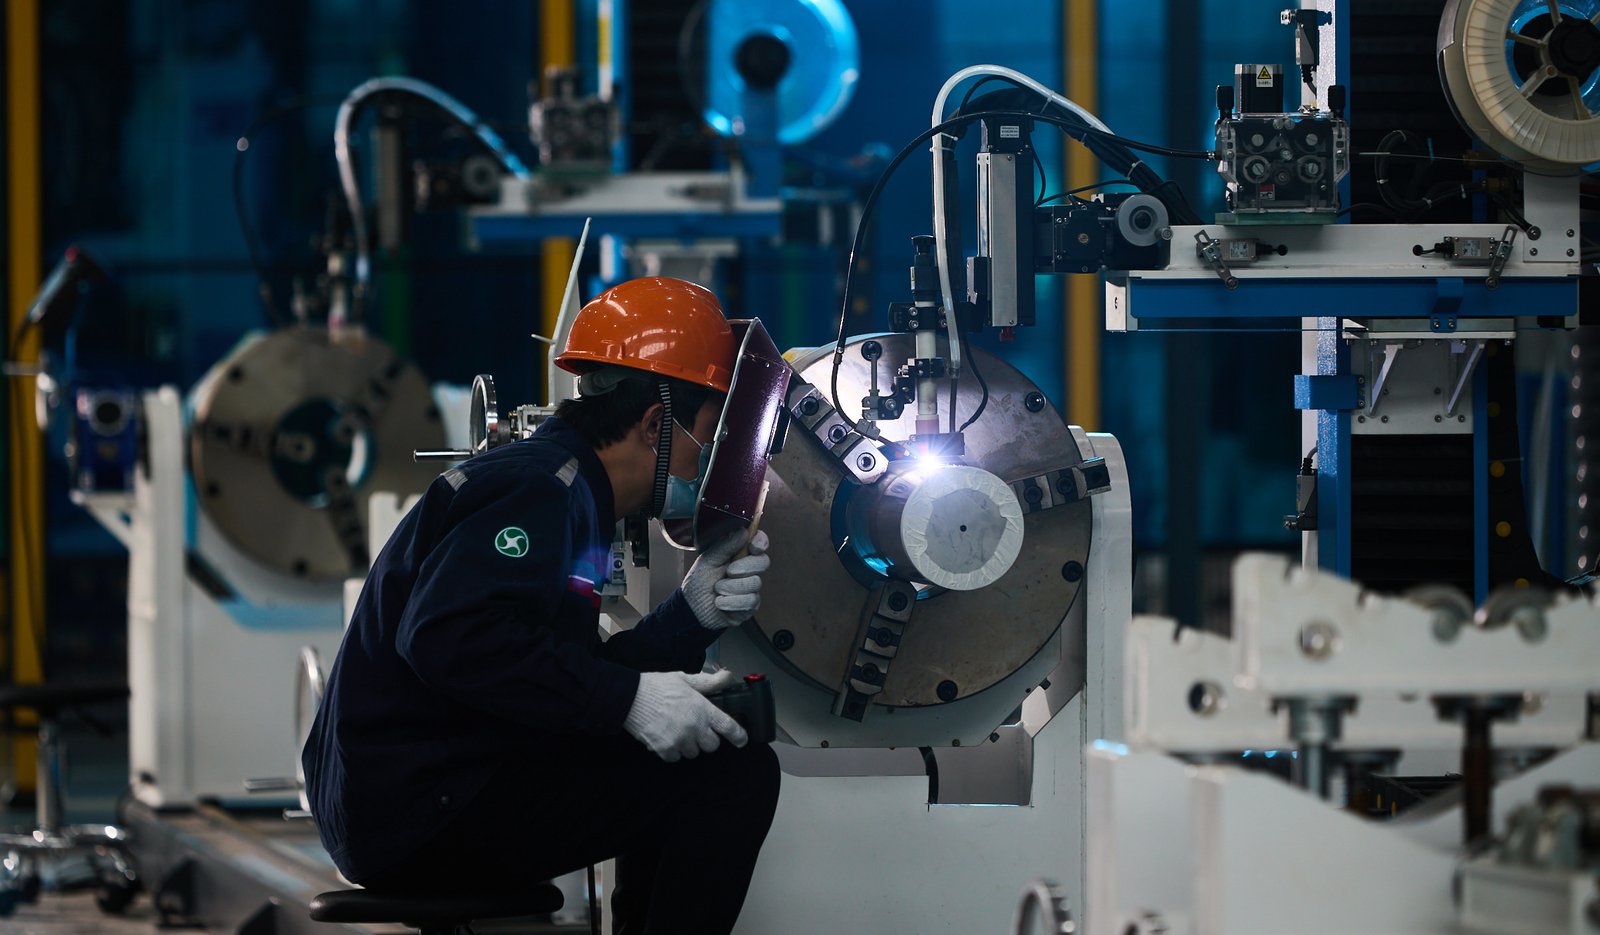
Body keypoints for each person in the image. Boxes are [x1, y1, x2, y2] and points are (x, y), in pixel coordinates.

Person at [302, 277, 781, 935]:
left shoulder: (571, 490)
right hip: (420, 815)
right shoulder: (545, 491)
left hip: (420, 793)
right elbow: (449, 637)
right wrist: (631, 701)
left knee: (692, 754)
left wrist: (690, 615)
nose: (712, 462)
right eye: (709, 437)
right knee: (733, 774)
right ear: (653, 424)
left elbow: (564, 673)